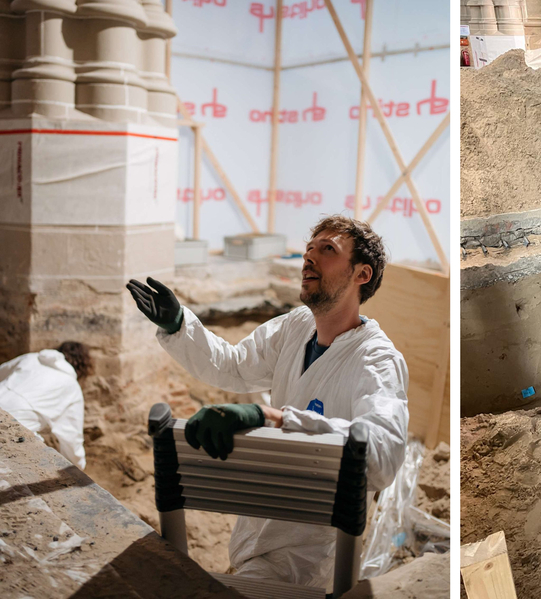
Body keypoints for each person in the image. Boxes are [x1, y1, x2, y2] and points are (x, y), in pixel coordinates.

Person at [126, 215, 408, 589]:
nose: (309, 258)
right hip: (257, 525)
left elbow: (384, 453)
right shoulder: (296, 326)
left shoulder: (376, 360)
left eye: (328, 250)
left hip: (309, 555)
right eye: (309, 249)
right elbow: (234, 366)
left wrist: (276, 419)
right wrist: (180, 325)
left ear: (362, 274)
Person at [0, 342, 91, 469]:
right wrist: (78, 468)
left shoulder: (30, 358)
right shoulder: (71, 386)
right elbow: (72, 439)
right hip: (14, 426)